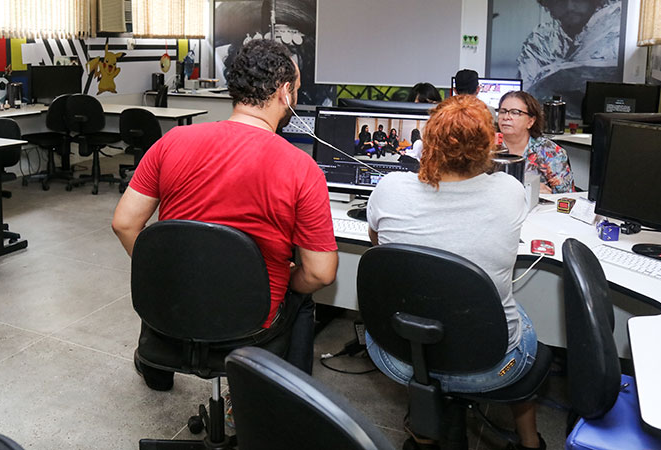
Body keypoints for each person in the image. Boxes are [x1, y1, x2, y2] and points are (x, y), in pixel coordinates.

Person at [112, 39, 339, 389]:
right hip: (252, 323)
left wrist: (163, 271)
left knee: (177, 257)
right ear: (285, 93)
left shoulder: (172, 141)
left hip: (172, 306)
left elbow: (124, 223)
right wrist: (290, 279)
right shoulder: (301, 167)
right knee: (304, 295)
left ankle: (157, 367)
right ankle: (288, 396)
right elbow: (322, 273)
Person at [365, 94, 545, 450]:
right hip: (490, 367)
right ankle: (529, 441)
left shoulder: (389, 189)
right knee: (516, 311)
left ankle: (423, 432)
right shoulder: (510, 191)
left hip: (400, 358)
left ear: (427, 140)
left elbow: (377, 243)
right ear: (488, 146)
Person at [517, 0, 621, 118]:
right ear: (548, 6)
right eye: (559, 2)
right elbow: (527, 92)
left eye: (577, 0)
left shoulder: (612, 29)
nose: (569, 7)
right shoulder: (540, 39)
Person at [497, 91, 575, 194]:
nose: (506, 117)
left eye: (515, 112)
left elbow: (566, 197)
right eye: (503, 111)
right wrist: (527, 188)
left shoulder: (549, 151)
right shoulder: (483, 146)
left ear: (530, 121)